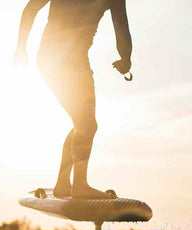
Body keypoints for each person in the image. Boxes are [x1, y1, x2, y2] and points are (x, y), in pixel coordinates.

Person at [14, 0, 132, 199]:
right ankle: (79, 186)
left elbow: (30, 9)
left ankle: (63, 184)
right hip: (65, 60)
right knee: (86, 125)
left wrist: (21, 49)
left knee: (82, 124)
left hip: (53, 59)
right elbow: (121, 25)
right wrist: (126, 59)